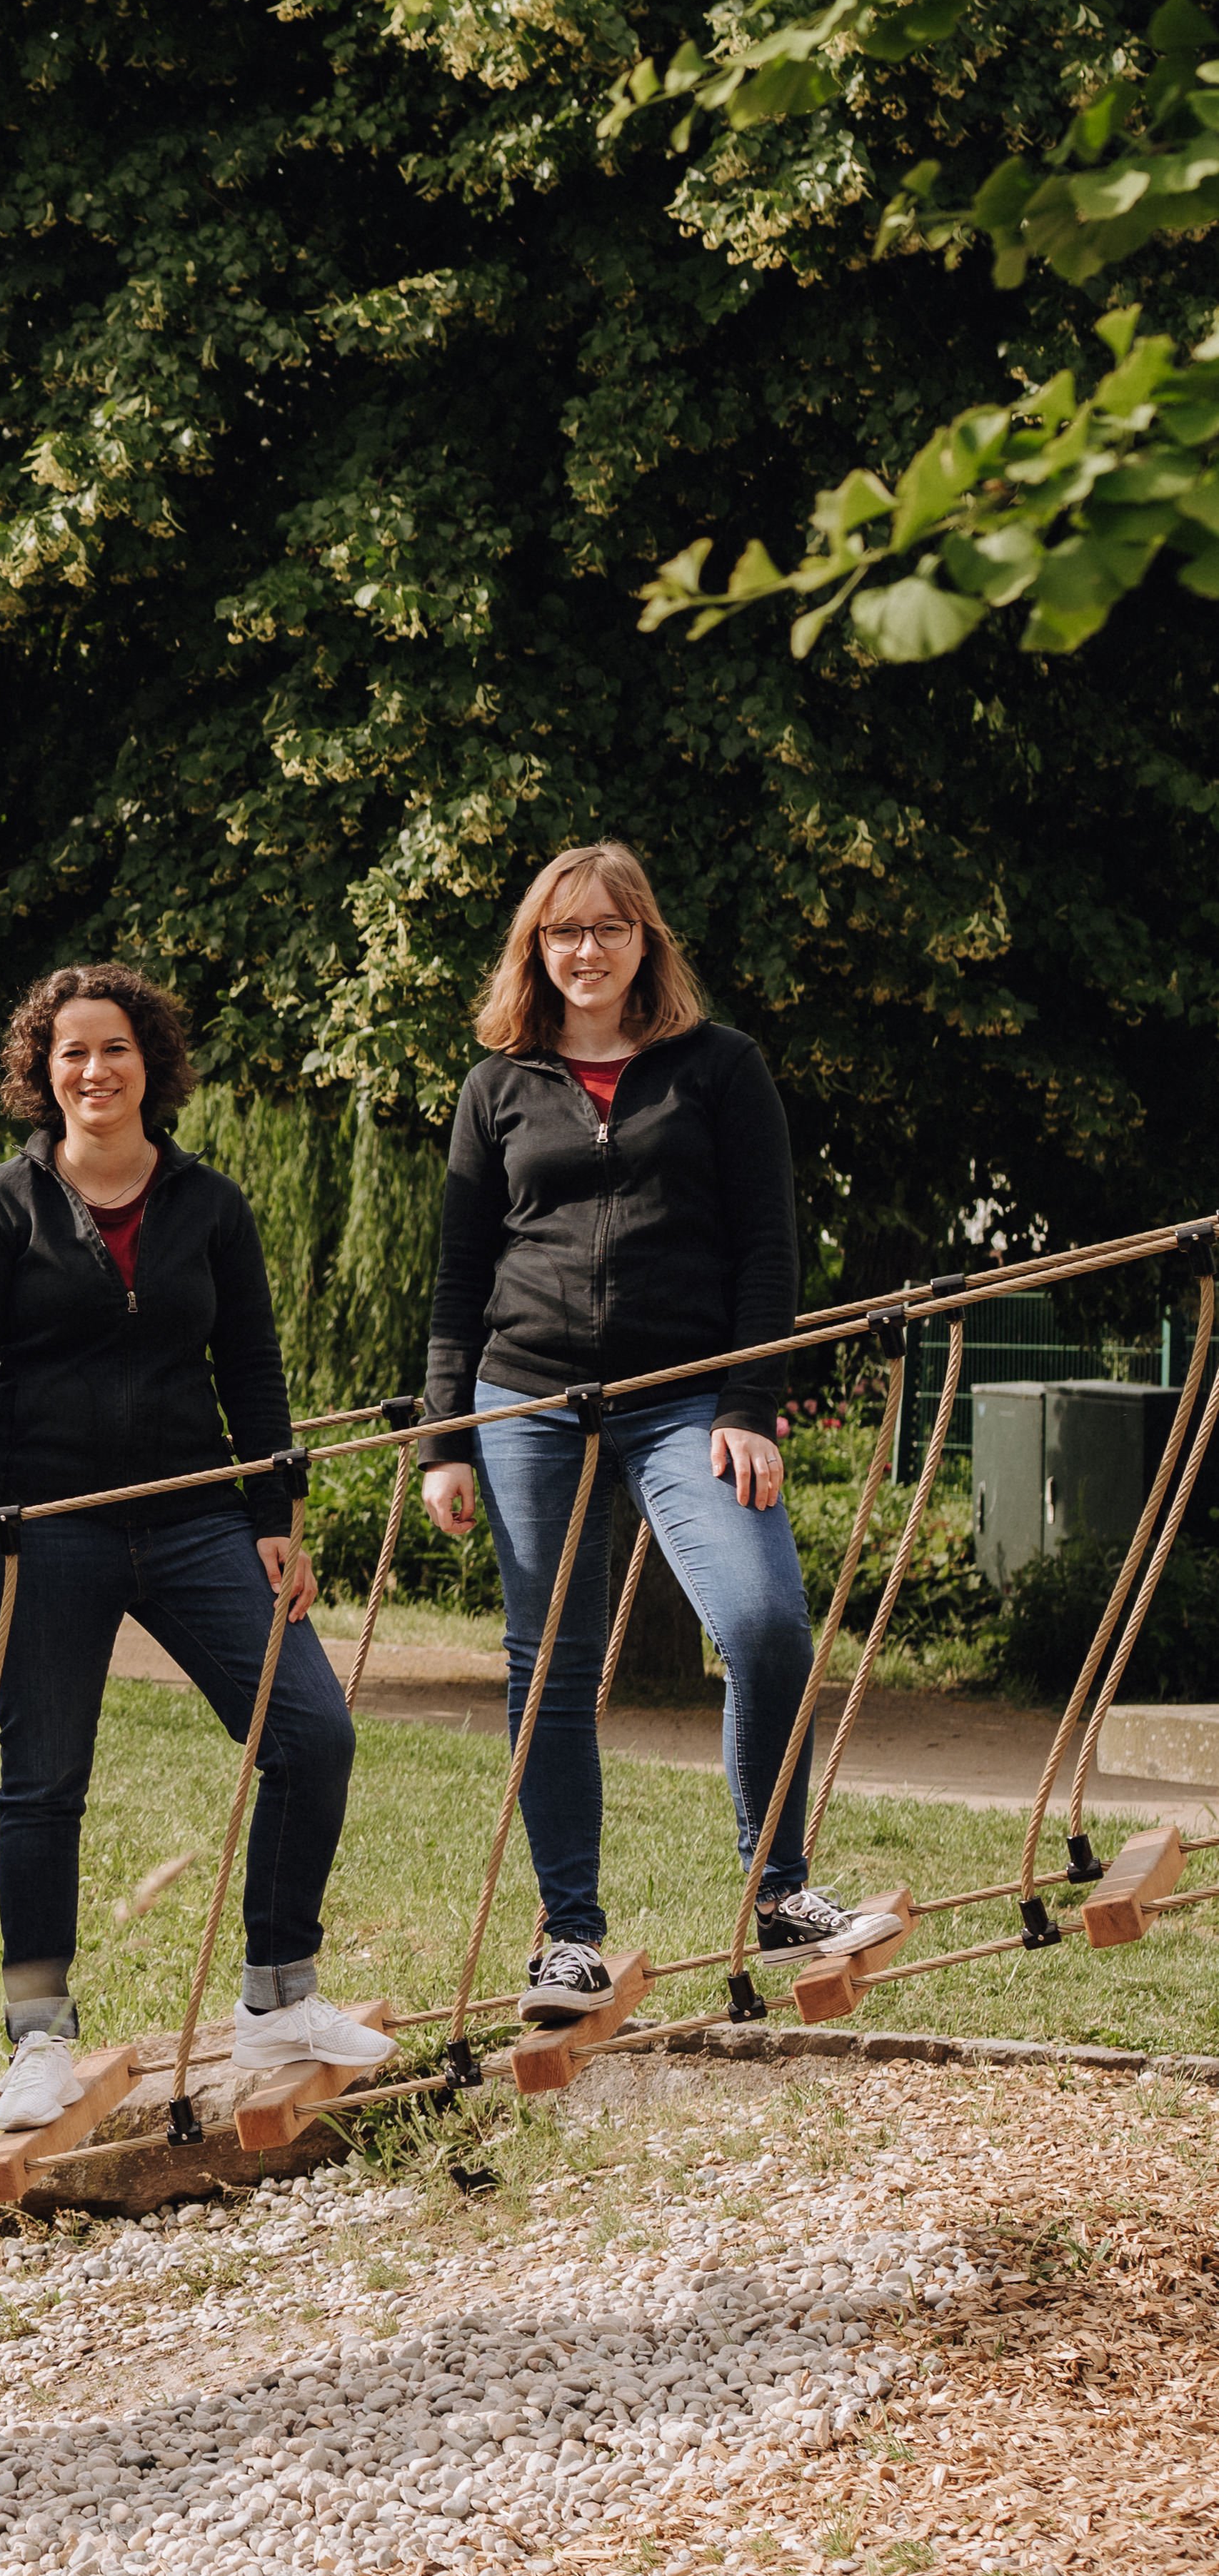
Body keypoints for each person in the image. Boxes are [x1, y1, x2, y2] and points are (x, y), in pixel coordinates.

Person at [420, 840, 885, 2017]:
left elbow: (767, 1251)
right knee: (553, 1663)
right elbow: (459, 1272)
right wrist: (444, 1438)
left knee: (766, 1621)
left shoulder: (719, 1071)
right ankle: (567, 1936)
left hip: (688, 1398)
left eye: (607, 928)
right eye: (561, 932)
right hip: (528, 1400)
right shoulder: (497, 1088)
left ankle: (779, 1894)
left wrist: (750, 1408)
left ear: (646, 942)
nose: (584, 950)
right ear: (536, 948)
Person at [0, 967, 391, 2130]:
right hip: (44, 1532)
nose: (93, 1071)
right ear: (42, 1070)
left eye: (114, 1048)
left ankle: (279, 1996)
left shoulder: (209, 1204)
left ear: (150, 1063)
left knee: (312, 1732)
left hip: (194, 1519)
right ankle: (39, 2039)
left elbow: (253, 1370)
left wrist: (277, 1517)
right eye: (71, 1053)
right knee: (41, 1787)